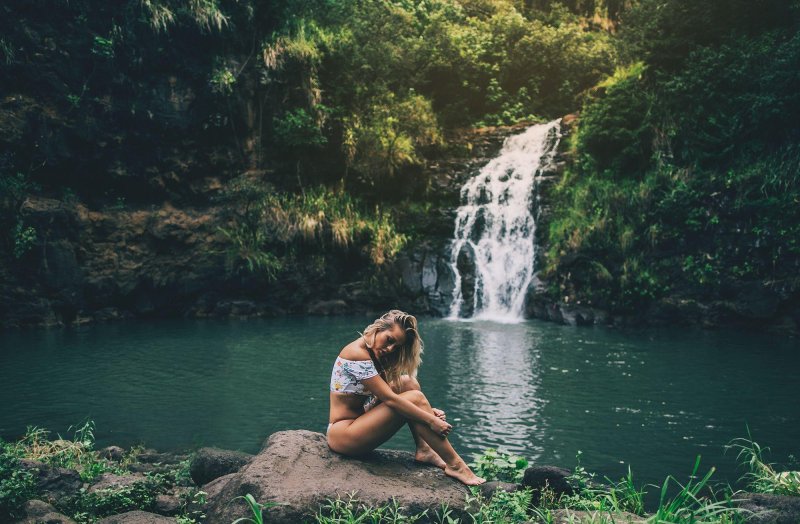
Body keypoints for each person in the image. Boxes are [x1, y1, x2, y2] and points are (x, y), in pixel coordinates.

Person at [326, 309, 485, 486]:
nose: (390, 349)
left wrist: (426, 411)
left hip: (360, 419)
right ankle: (456, 466)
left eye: (396, 346)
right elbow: (390, 399)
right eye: (389, 340)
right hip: (343, 435)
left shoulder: (375, 353)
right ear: (378, 328)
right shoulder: (356, 353)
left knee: (409, 383)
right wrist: (430, 420)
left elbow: (390, 395)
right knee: (415, 399)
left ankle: (425, 450)